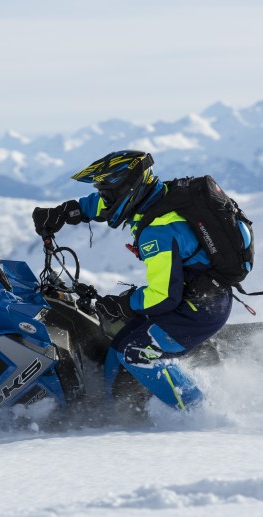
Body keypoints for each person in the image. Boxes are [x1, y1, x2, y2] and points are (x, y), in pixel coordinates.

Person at [32, 150, 232, 412]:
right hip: (193, 297)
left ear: (126, 188)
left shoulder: (157, 232)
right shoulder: (157, 199)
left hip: (199, 309)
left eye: (107, 192)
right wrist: (66, 212)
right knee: (119, 346)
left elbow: (162, 296)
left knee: (136, 352)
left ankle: (197, 415)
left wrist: (124, 304)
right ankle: (120, 416)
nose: (104, 198)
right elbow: (106, 204)